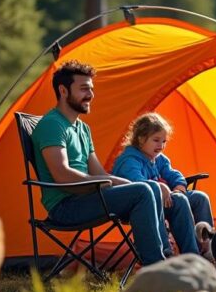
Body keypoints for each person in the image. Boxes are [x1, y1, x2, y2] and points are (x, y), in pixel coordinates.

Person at [31, 60, 191, 266]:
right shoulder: (52, 125)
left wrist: (132, 186)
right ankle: (157, 266)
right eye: (83, 89)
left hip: (89, 196)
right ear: (63, 90)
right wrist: (105, 184)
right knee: (144, 191)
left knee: (147, 188)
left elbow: (99, 172)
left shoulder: (82, 128)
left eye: (91, 89)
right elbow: (62, 175)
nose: (90, 95)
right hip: (67, 206)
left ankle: (191, 262)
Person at [112, 112, 213, 256]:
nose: (161, 145)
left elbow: (172, 174)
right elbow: (137, 185)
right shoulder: (129, 160)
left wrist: (179, 186)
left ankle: (206, 245)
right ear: (141, 139)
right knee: (179, 200)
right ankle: (190, 254)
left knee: (199, 197)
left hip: (164, 202)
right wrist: (162, 187)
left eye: (164, 141)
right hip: (137, 208)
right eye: (156, 140)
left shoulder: (159, 159)